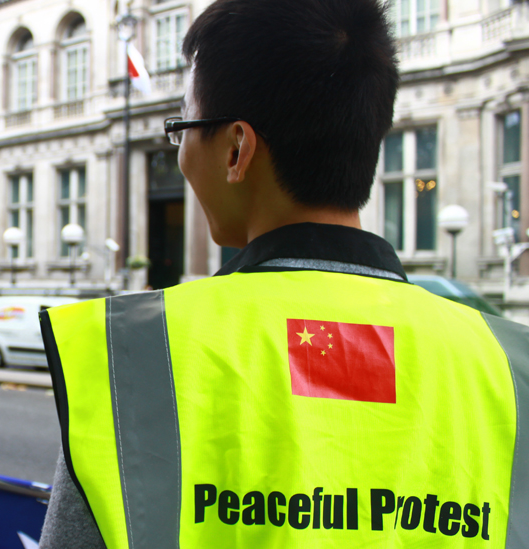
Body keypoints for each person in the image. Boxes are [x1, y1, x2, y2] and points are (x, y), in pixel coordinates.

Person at [38, 0, 529, 547]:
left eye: (181, 128)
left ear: (236, 150)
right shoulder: (509, 371)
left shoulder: (133, 355)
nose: (180, 153)